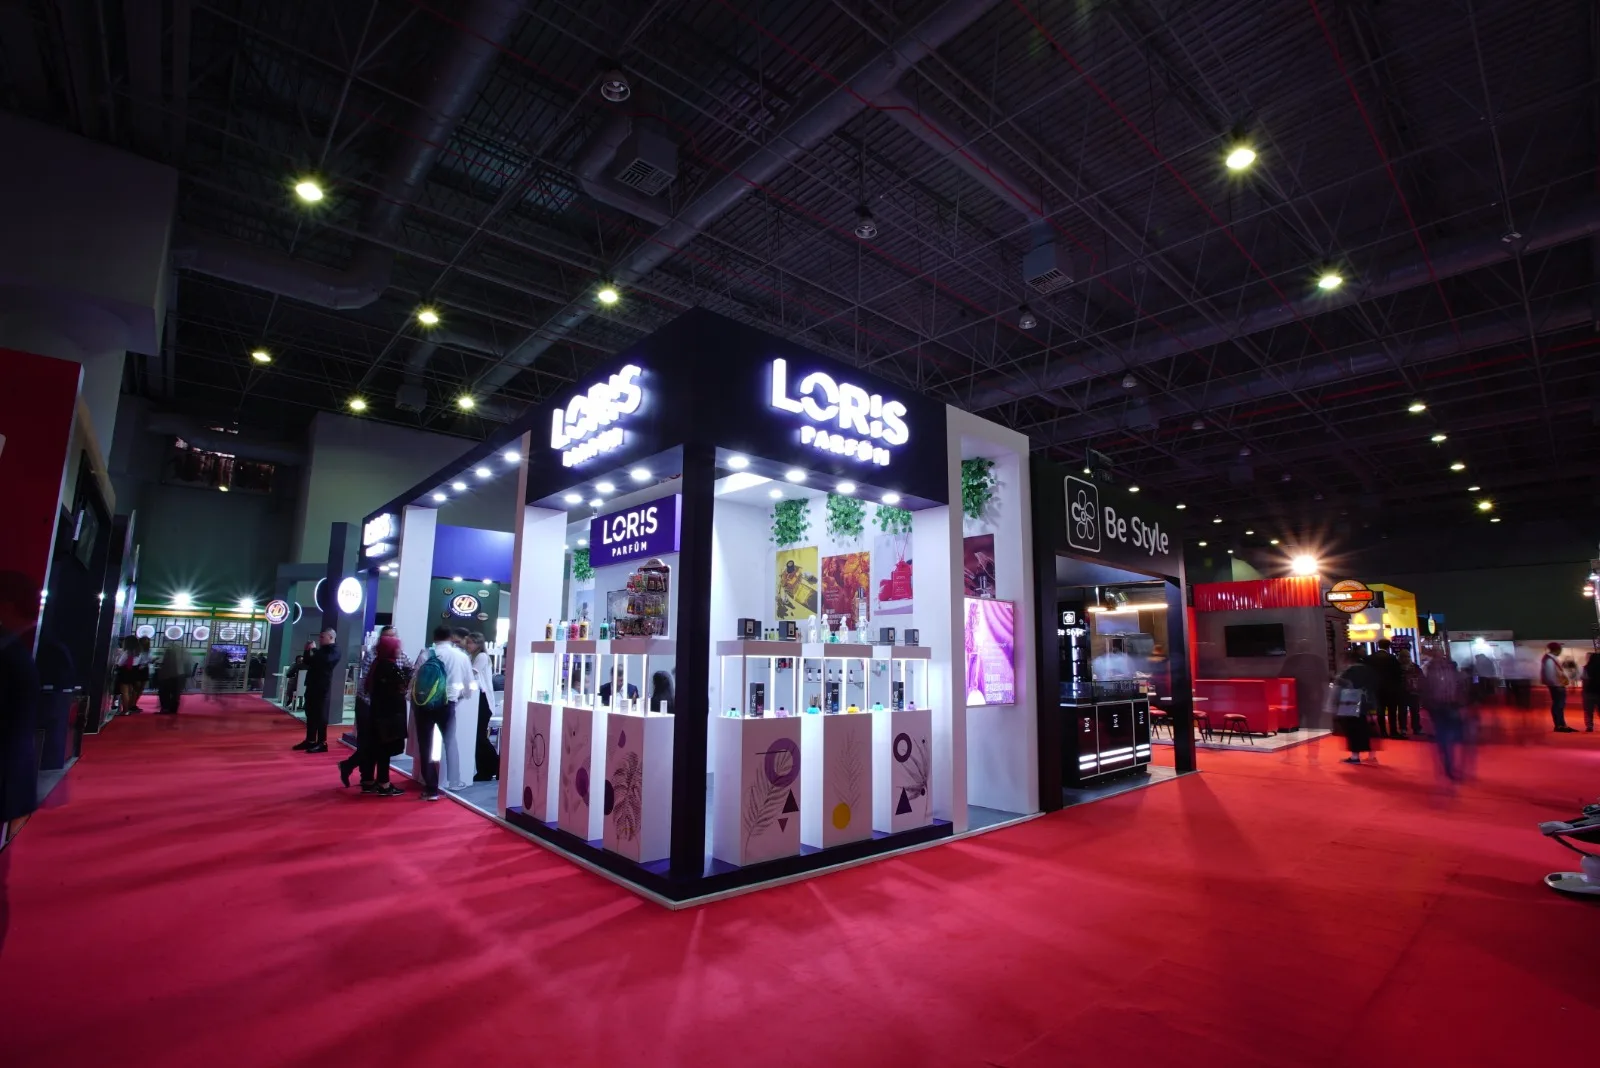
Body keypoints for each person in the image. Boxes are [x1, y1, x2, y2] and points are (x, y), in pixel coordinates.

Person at [410, 625, 473, 801]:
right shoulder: (461, 656)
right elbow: (469, 683)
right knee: (450, 742)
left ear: (434, 637)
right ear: (451, 637)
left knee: (426, 745)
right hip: (448, 704)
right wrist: (464, 695)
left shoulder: (426, 654)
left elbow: (415, 678)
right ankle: (454, 781)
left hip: (424, 704)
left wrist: (411, 698)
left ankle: (431, 789)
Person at [342, 632, 409, 796]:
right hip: (386, 715)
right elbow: (398, 689)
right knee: (381, 749)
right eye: (396, 646)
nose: (399, 650)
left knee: (374, 747)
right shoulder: (388, 667)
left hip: (377, 712)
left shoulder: (378, 663)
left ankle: (368, 779)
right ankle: (382, 784)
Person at [294, 629, 341, 753]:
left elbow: (325, 661)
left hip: (322, 687)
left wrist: (314, 650)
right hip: (312, 685)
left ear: (330, 637)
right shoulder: (322, 651)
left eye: (322, 637)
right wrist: (306, 650)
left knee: (320, 715)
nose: (320, 639)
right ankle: (310, 740)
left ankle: (322, 742)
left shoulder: (335, 650)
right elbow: (308, 662)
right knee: (310, 713)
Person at [1424, 656, 1469, 782]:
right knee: (1449, 735)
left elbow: (1425, 692)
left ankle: (1446, 759)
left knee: (1443, 735)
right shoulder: (1453, 672)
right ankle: (1448, 761)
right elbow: (1461, 689)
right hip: (1449, 706)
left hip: (1439, 707)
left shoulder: (1430, 673)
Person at [464, 632, 499, 782]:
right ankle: (485, 769)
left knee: (479, 737)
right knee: (477, 737)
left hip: (483, 700)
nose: (468, 645)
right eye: (467, 642)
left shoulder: (482, 657)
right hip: (476, 700)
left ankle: (494, 765)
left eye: (470, 642)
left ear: (478, 644)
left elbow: (471, 674)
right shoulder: (471, 657)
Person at [1335, 656, 1379, 764]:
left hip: (1351, 703)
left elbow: (1340, 687)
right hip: (1367, 704)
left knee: (1353, 731)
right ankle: (1372, 756)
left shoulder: (1348, 672)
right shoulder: (1368, 671)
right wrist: (1373, 709)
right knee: (1369, 730)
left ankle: (1355, 756)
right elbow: (1373, 688)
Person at [1368, 639, 1406, 738]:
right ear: (1388, 646)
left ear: (1378, 645)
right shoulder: (1392, 658)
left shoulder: (1371, 658)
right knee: (1392, 710)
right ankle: (1393, 731)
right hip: (1391, 688)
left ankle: (1383, 732)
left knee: (1380, 710)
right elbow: (1398, 674)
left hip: (1377, 688)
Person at [1541, 641, 1575, 732]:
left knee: (1560, 705)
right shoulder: (1549, 660)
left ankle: (1562, 724)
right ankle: (1559, 725)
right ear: (1556, 649)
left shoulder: (1552, 658)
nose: (1560, 651)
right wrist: (1557, 684)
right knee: (1558, 705)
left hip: (1558, 685)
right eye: (1560, 649)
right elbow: (1550, 674)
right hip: (1556, 686)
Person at [154, 640, 192, 714]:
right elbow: (187, 664)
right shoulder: (184, 652)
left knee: (164, 692)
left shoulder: (168, 651)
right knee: (175, 694)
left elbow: (163, 664)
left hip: (168, 676)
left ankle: (165, 708)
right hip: (180, 675)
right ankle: (173, 709)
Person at [1400, 650, 1425, 736]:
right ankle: (1405, 728)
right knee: (1404, 712)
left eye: (1407, 656)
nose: (1406, 658)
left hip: (1412, 692)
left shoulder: (1414, 667)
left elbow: (1421, 679)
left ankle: (1414, 728)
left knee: (1414, 711)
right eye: (1404, 657)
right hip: (1404, 693)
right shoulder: (1399, 668)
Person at [1582, 652, 1599, 733]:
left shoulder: (1586, 668)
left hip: (1589, 692)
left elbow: (1584, 679)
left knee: (1588, 710)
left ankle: (1589, 726)